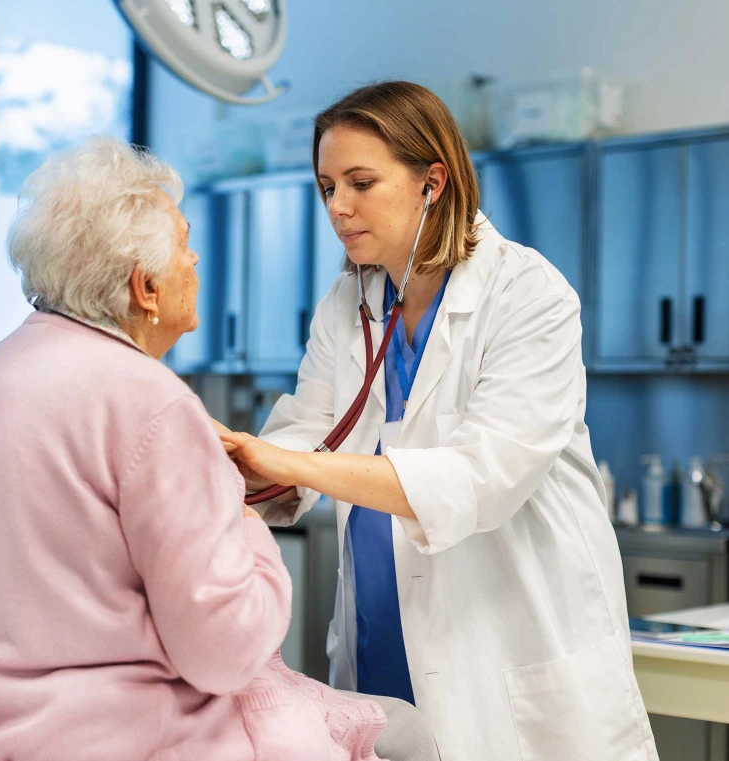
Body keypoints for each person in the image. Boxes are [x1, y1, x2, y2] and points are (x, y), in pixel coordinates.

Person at [0, 137, 405, 761]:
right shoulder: (153, 402)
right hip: (118, 733)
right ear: (146, 288)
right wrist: (243, 522)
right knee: (412, 738)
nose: (195, 256)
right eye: (183, 244)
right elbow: (225, 654)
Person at [219, 81, 659, 761]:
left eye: (361, 182)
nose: (338, 206)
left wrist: (287, 462)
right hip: (380, 643)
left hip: (506, 656)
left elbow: (481, 476)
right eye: (326, 185)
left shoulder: (526, 293)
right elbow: (305, 430)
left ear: (433, 180)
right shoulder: (348, 303)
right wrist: (233, 469)